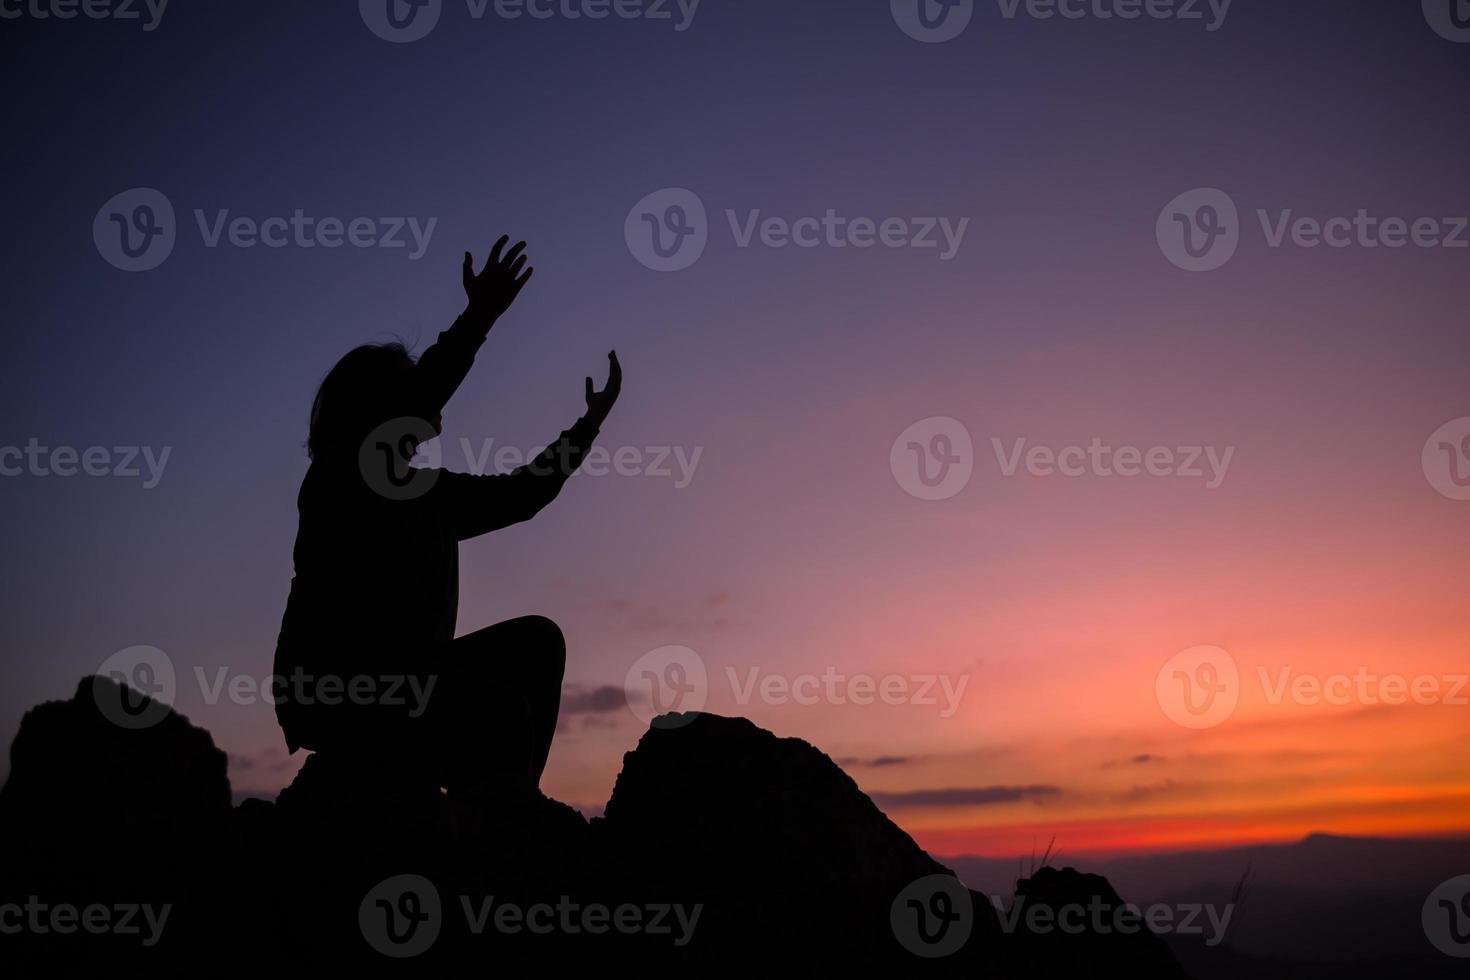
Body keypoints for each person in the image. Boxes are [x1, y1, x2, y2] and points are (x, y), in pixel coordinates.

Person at [271, 236, 621, 796]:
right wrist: (478, 317)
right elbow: (414, 402)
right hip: (337, 689)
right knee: (500, 711)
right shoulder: (338, 479)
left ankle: (503, 813)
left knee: (536, 644)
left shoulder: (427, 494)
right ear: (372, 408)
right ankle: (497, 836)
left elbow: (522, 496)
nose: (426, 402)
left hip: (413, 679)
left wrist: (585, 429)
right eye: (406, 390)